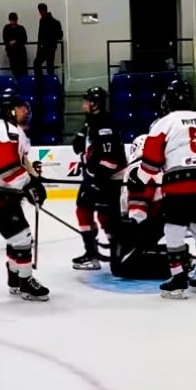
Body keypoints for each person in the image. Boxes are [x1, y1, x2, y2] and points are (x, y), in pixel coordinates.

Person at [140, 80, 196, 299]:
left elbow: (150, 162)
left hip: (178, 183)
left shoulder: (164, 122)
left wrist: (152, 174)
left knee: (174, 229)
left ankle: (178, 279)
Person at [0, 91, 50, 301]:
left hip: (2, 192)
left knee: (16, 237)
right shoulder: (4, 131)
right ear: (11, 109)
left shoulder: (14, 130)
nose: (27, 111)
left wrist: (35, 180)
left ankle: (15, 278)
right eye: (22, 107)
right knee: (22, 237)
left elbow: (21, 161)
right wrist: (29, 185)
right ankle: (25, 282)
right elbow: (6, 168)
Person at [71, 87, 127, 270]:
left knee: (106, 216)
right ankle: (92, 254)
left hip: (107, 180)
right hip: (95, 177)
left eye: (86, 101)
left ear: (95, 104)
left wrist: (97, 182)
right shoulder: (92, 124)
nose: (83, 105)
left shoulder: (105, 126)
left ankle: (117, 252)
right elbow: (79, 149)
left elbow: (112, 160)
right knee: (83, 210)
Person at [111, 134, 168, 279]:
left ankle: (176, 260)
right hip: (161, 220)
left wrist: (131, 230)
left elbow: (139, 206)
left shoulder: (138, 169)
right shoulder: (156, 167)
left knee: (121, 267)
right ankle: (176, 256)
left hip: (148, 223)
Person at [33, 3, 63, 77]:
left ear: (42, 11)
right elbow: (59, 36)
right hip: (50, 46)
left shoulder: (46, 21)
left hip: (48, 46)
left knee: (39, 63)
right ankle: (48, 81)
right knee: (49, 65)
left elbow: (40, 35)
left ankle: (41, 81)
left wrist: (39, 47)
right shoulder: (54, 22)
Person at [2, 12, 28, 78]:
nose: (13, 21)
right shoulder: (7, 28)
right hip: (12, 52)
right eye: (12, 20)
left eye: (14, 20)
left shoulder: (20, 28)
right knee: (15, 70)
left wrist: (15, 42)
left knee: (22, 69)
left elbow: (24, 39)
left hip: (20, 52)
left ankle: (21, 83)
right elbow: (5, 39)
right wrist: (12, 42)